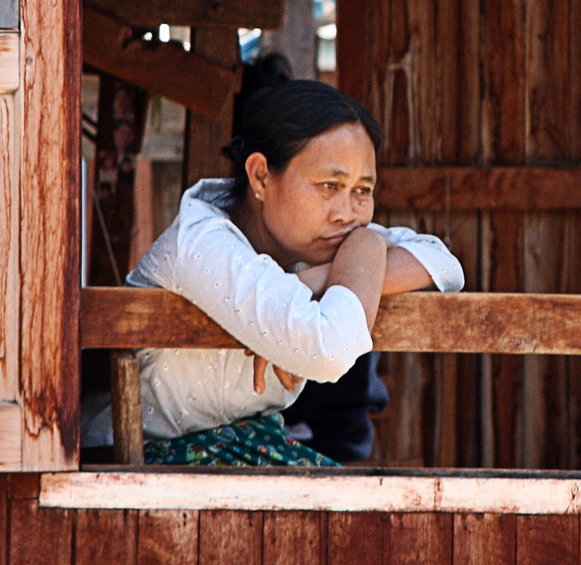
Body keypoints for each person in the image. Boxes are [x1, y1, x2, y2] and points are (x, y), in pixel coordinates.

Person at [123, 80, 463, 466]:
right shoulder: (201, 243)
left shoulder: (319, 244)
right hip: (144, 463)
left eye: (362, 190)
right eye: (329, 185)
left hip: (244, 450)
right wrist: (366, 250)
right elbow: (328, 351)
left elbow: (443, 263)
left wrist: (313, 279)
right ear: (261, 177)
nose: (348, 212)